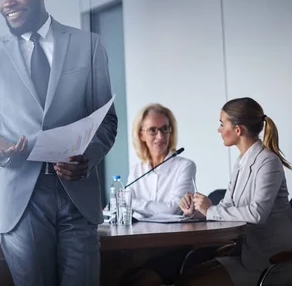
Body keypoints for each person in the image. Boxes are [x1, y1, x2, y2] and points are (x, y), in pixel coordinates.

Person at [0, 0, 118, 286]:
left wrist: (87, 159)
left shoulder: (88, 46)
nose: (8, 2)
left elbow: (107, 121)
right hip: (22, 199)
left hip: (78, 195)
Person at [177, 97, 292, 286]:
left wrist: (210, 210)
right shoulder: (242, 161)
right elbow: (227, 206)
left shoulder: (268, 162)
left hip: (270, 260)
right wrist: (197, 209)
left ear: (238, 130)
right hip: (247, 254)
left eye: (222, 124)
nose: (219, 130)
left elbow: (257, 213)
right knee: (184, 279)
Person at [121, 104, 196, 286]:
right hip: (140, 243)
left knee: (131, 276)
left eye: (164, 129)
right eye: (153, 130)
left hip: (171, 247)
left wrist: (131, 202)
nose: (160, 136)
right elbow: (123, 208)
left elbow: (172, 209)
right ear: (141, 134)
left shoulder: (185, 166)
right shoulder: (137, 170)